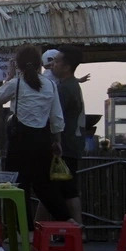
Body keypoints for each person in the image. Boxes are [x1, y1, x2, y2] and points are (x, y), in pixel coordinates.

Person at [0, 45, 70, 225]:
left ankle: (24, 230)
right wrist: (57, 141)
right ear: (39, 65)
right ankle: (67, 220)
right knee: (44, 185)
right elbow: (57, 117)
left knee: (19, 185)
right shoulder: (50, 84)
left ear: (18, 65)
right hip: (42, 140)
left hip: (20, 141)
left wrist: (9, 77)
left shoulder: (16, 83)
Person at [45, 47, 86, 223]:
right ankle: (41, 229)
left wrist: (55, 141)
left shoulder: (65, 88)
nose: (53, 64)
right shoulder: (70, 84)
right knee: (52, 189)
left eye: (57, 61)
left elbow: (56, 118)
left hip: (65, 145)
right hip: (69, 143)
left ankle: (77, 228)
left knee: (67, 190)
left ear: (67, 66)